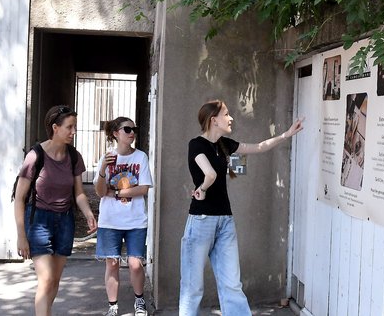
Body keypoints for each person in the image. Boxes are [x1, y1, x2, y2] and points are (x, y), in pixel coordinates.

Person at [179, 99, 303, 316]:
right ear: (213, 120)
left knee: (232, 285)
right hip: (201, 220)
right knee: (193, 288)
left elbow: (259, 147)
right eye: (226, 114)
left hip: (224, 221)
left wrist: (286, 135)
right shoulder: (196, 144)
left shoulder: (225, 145)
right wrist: (203, 188)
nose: (231, 118)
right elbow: (210, 174)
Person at [14, 105, 97, 316]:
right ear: (55, 128)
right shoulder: (35, 156)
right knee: (47, 278)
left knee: (55, 280)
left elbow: (78, 193)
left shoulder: (74, 156)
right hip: (38, 220)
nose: (73, 132)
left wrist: (88, 213)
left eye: (75, 126)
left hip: (65, 221)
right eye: (69, 127)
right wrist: (21, 236)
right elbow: (19, 198)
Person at [94, 117, 153, 316]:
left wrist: (118, 193)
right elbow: (101, 192)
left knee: (135, 264)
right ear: (115, 133)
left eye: (134, 129)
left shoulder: (141, 157)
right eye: (127, 129)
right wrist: (103, 170)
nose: (132, 133)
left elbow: (144, 188)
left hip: (135, 220)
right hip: (110, 220)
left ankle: (139, 300)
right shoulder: (107, 158)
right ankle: (113, 306)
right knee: (112, 262)